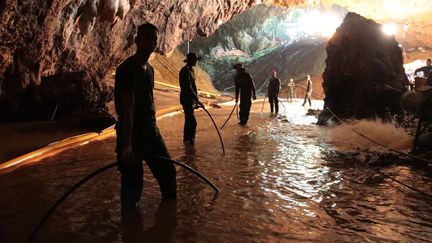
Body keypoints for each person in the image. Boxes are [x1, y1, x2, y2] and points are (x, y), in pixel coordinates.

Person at [114, 23, 176, 210]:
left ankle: (168, 223)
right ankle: (130, 228)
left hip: (151, 131)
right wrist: (126, 146)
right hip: (132, 133)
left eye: (154, 39)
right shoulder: (127, 69)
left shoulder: (149, 70)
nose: (151, 42)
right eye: (147, 37)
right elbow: (128, 109)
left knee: (168, 173)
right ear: (137, 41)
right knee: (133, 185)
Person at [179, 52, 204, 145]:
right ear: (191, 61)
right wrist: (197, 100)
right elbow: (188, 87)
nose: (197, 62)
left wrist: (195, 101)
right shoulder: (185, 71)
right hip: (186, 99)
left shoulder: (191, 71)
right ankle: (189, 140)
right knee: (192, 121)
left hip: (191, 100)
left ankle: (188, 140)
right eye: (196, 60)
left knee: (189, 120)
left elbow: (193, 87)